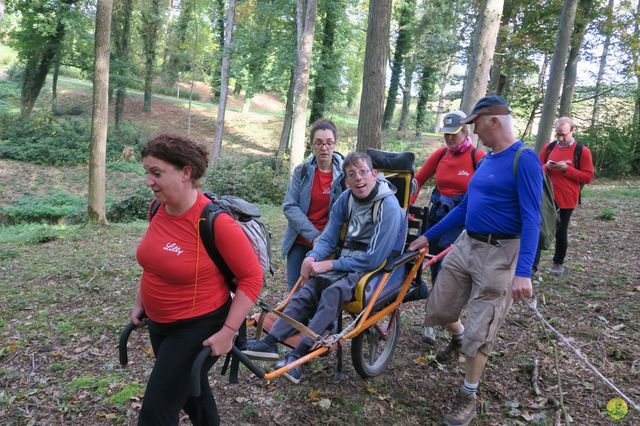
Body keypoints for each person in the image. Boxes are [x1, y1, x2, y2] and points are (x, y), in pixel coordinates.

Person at [408, 96, 542, 426]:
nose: (473, 131)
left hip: (501, 254)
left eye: (476, 124)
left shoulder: (524, 160)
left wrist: (523, 272)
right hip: (466, 245)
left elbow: (532, 219)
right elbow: (465, 208)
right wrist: (429, 235)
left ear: (494, 121)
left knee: (480, 332)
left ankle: (468, 394)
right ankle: (458, 338)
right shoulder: (486, 161)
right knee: (438, 308)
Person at [131, 134, 263, 426]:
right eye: (147, 173)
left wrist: (228, 332)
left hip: (199, 327)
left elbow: (252, 278)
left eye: (157, 173)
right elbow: (154, 262)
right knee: (192, 393)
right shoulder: (157, 209)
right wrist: (142, 301)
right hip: (160, 324)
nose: (149, 182)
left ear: (185, 173)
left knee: (156, 414)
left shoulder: (216, 222)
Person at [244, 152, 403, 383]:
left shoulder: (387, 205)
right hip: (344, 260)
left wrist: (328, 263)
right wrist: (313, 256)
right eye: (351, 174)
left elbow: (374, 258)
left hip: (370, 269)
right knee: (308, 289)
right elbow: (328, 237)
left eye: (363, 172)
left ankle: (298, 356)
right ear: (346, 181)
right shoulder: (346, 198)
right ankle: (269, 343)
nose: (358, 179)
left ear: (374, 174)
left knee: (332, 291)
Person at [411, 110, 486, 346]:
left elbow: (485, 192)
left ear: (465, 132)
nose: (450, 139)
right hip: (437, 217)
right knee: (432, 266)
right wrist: (406, 206)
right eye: (446, 135)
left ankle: (441, 320)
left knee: (446, 269)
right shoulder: (440, 155)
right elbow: (419, 180)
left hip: (462, 221)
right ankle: (433, 320)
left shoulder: (478, 157)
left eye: (454, 134)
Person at [282, 119, 345, 290]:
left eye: (329, 143)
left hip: (329, 244)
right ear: (312, 145)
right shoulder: (302, 171)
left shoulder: (345, 174)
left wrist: (323, 239)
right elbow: (289, 206)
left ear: (335, 144)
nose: (324, 147)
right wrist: (313, 235)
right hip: (299, 240)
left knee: (320, 294)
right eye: (319, 143)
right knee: (294, 294)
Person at [532, 117, 594, 276]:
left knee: (561, 231)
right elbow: (538, 170)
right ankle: (533, 265)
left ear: (572, 131)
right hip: (546, 197)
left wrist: (566, 169)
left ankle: (558, 263)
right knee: (540, 229)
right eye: (557, 134)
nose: (560, 138)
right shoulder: (549, 147)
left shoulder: (582, 151)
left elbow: (587, 177)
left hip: (567, 199)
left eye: (563, 134)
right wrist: (547, 166)